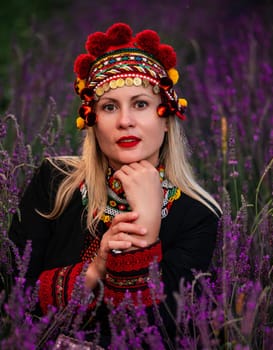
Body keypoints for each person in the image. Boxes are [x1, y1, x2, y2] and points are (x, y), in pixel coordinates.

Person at [9, 22, 221, 347]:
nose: (125, 121)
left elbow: (158, 333)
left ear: (165, 119)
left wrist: (147, 229)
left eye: (140, 104)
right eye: (109, 107)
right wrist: (95, 269)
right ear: (92, 122)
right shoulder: (55, 183)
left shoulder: (197, 215)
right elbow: (14, 297)